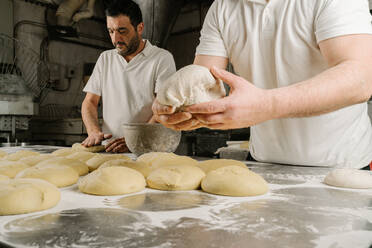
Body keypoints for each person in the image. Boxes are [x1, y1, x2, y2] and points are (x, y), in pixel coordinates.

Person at [153, 0, 372, 169]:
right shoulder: (222, 7)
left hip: (341, 168)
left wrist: (267, 105)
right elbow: (203, 81)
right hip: (263, 163)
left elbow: (361, 78)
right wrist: (176, 105)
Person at [81, 0, 176, 153]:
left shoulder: (161, 58)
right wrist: (93, 132)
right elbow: (90, 102)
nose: (115, 39)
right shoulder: (105, 58)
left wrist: (135, 140)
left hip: (149, 150)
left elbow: (162, 108)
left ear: (140, 28)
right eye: (111, 31)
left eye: (122, 31)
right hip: (111, 149)